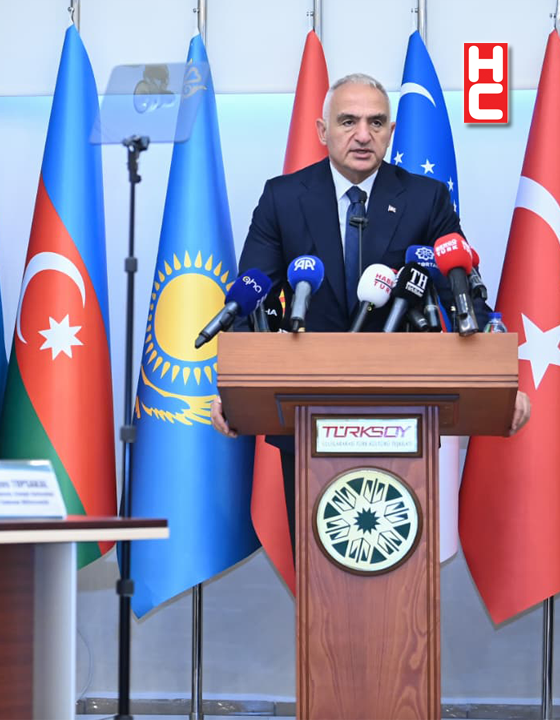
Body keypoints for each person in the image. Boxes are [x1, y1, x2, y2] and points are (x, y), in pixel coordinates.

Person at [211, 73, 531, 541]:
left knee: (395, 555)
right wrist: (236, 387)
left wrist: (502, 383)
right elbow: (252, 293)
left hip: (403, 411)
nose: (363, 134)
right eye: (348, 121)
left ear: (391, 131)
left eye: (376, 122)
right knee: (319, 557)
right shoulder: (282, 197)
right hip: (305, 411)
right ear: (322, 131)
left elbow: (460, 291)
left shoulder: (426, 198)